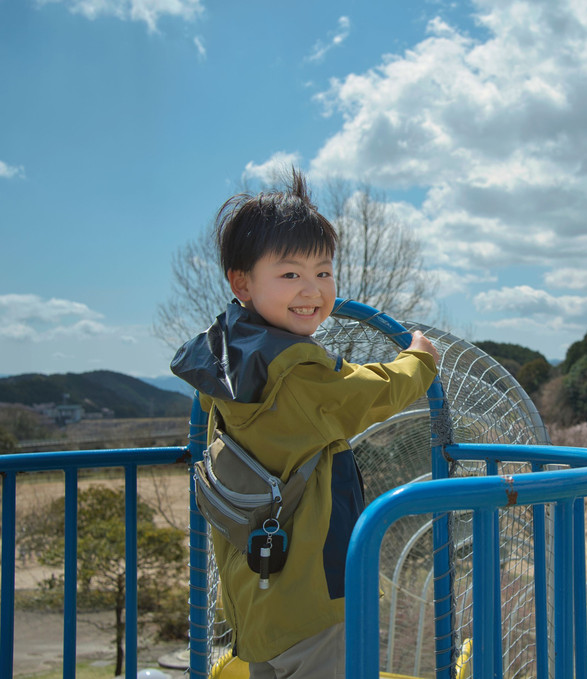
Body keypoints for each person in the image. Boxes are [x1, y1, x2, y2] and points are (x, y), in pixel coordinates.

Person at [171, 169, 439, 679]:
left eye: (323, 272)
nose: (312, 290)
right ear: (242, 282)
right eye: (291, 274)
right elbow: (367, 393)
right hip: (312, 591)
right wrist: (420, 361)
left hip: (258, 589)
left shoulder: (228, 359)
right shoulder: (294, 369)